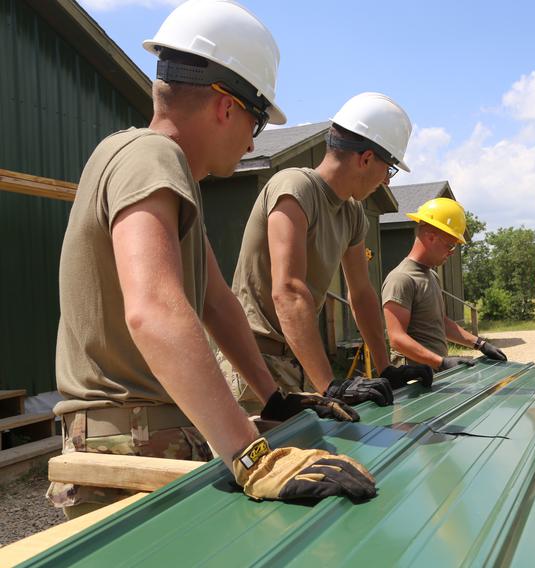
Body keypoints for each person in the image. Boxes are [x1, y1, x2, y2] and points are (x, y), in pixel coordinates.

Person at [48, 0, 375, 519]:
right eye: (258, 122)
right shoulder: (151, 157)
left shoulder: (166, 175)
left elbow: (216, 301)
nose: (252, 141)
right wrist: (253, 456)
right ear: (227, 106)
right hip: (132, 438)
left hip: (151, 428)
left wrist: (273, 399)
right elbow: (154, 309)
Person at [224, 91, 432, 411]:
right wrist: (331, 386)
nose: (387, 183)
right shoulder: (294, 187)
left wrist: (385, 367)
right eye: (389, 169)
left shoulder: (352, 214)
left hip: (299, 363)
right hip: (254, 366)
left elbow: (361, 294)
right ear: (365, 158)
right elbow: (288, 291)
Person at [382, 198, 507, 371]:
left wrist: (480, 344)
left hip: (433, 373)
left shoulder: (431, 275)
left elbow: (440, 322)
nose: (451, 253)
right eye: (450, 245)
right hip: (412, 382)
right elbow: (397, 338)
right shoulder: (401, 278)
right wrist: (440, 362)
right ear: (431, 237)